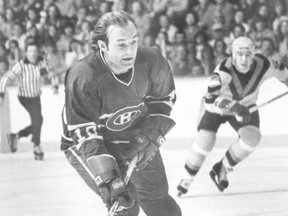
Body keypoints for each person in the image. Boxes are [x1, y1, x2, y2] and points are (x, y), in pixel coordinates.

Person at [61, 11, 181, 216]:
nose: (131, 50)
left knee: (161, 204)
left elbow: (162, 101)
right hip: (89, 143)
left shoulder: (151, 60)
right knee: (126, 203)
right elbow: (84, 133)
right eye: (122, 44)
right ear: (103, 46)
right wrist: (108, 177)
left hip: (132, 137)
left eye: (134, 41)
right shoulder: (84, 75)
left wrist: (149, 137)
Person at [176, 36, 288, 196]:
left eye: (248, 54)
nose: (244, 59)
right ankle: (186, 178)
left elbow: (282, 71)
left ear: (254, 54)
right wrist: (233, 107)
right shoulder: (222, 71)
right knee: (205, 140)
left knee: (252, 138)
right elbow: (209, 101)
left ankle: (222, 168)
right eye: (240, 54)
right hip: (218, 106)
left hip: (246, 104)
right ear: (233, 54)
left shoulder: (265, 64)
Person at [0, 40, 59, 160]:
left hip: (36, 97)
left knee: (39, 120)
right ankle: (36, 146)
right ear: (26, 53)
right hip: (24, 97)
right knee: (38, 119)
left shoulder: (41, 63)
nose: (33, 53)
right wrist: (1, 94)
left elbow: (51, 74)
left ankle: (16, 136)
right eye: (30, 51)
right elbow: (6, 78)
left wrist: (55, 85)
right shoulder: (21, 65)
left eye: (35, 51)